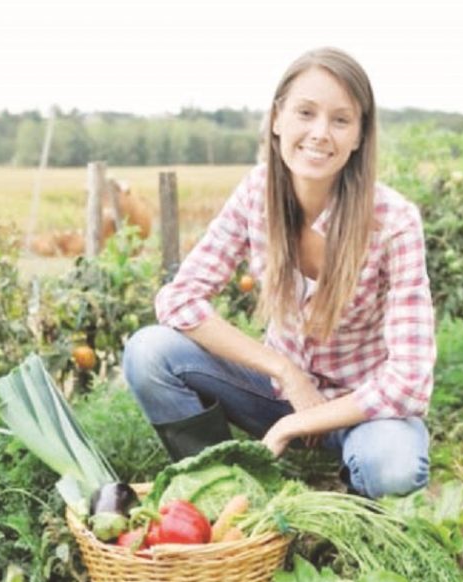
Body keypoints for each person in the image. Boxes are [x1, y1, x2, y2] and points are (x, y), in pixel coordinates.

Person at [122, 47, 435, 499]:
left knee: (391, 467)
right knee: (149, 351)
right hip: (273, 393)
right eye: (305, 112)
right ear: (276, 119)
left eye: (341, 120)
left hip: (362, 411)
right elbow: (178, 299)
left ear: (360, 135)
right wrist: (285, 370)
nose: (320, 133)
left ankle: (354, 498)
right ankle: (228, 490)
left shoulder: (394, 221)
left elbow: (409, 382)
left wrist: (298, 421)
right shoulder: (257, 193)